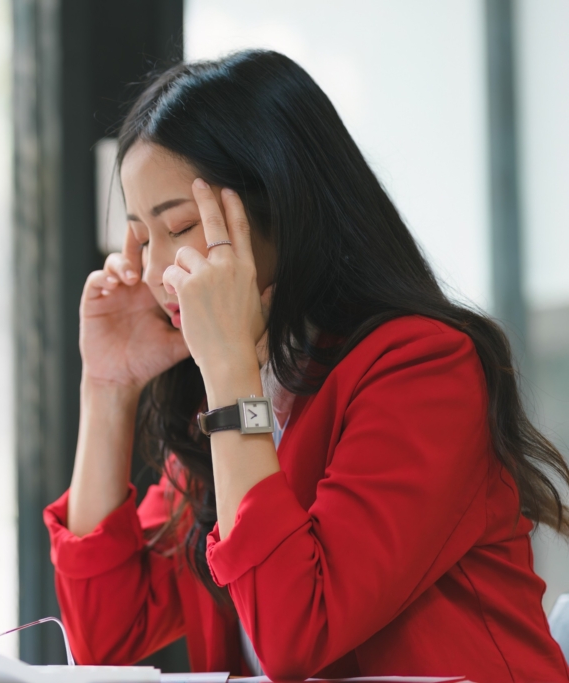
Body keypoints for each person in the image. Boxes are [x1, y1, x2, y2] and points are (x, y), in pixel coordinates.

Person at [43, 50, 569, 682]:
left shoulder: (424, 368)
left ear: (282, 212)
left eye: (179, 227)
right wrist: (108, 386)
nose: (154, 272)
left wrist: (230, 374)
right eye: (141, 237)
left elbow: (298, 633)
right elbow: (106, 637)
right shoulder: (237, 379)